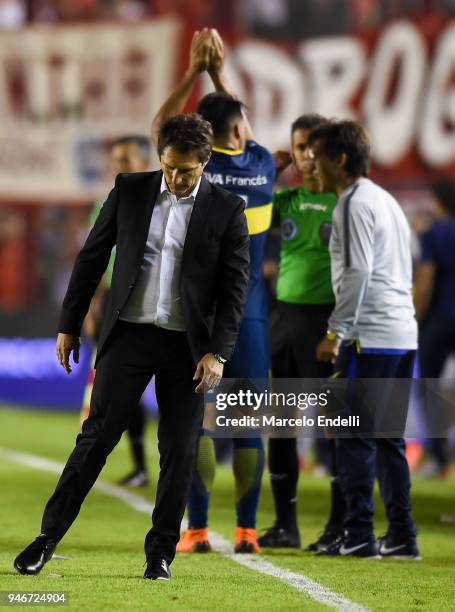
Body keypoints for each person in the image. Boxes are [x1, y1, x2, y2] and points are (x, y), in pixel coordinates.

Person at [13, 113, 250, 581]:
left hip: (189, 348)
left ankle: (160, 554)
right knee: (96, 438)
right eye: (168, 167)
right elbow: (91, 257)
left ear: (205, 162)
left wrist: (218, 352)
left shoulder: (228, 209)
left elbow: (235, 286)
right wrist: (69, 323)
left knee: (180, 449)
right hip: (130, 336)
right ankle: (47, 538)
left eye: (186, 170)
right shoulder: (131, 189)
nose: (175, 178)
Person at [151, 29, 275, 553]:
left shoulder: (204, 169)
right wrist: (220, 74)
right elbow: (238, 124)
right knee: (251, 425)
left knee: (198, 422)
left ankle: (197, 530)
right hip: (250, 316)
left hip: (200, 317)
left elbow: (163, 128)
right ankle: (247, 531)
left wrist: (194, 70)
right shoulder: (261, 163)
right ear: (241, 128)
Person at [312, 120, 420, 559]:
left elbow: (358, 271)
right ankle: (402, 536)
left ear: (339, 160)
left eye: (318, 157)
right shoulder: (387, 201)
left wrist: (336, 331)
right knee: (389, 438)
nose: (313, 166)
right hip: (401, 333)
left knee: (353, 436)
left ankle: (358, 533)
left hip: (368, 336)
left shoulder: (352, 204)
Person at [258, 114, 344, 551]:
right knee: (281, 425)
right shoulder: (286, 200)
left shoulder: (345, 202)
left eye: (312, 146)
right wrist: (268, 172)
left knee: (335, 425)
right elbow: (245, 214)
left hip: (328, 321)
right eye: (298, 147)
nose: (306, 156)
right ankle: (286, 525)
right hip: (285, 319)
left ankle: (340, 525)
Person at [81, 135, 152, 488]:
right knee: (121, 389)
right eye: (115, 160)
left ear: (145, 162)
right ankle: (139, 465)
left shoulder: (164, 201)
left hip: (155, 303)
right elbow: (97, 261)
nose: (118, 167)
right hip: (114, 303)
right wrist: (94, 307)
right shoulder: (106, 203)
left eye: (126, 160)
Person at [414, 178, 455, 477]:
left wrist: (415, 316)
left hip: (439, 320)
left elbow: (426, 279)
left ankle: (438, 457)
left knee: (429, 387)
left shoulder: (433, 234)